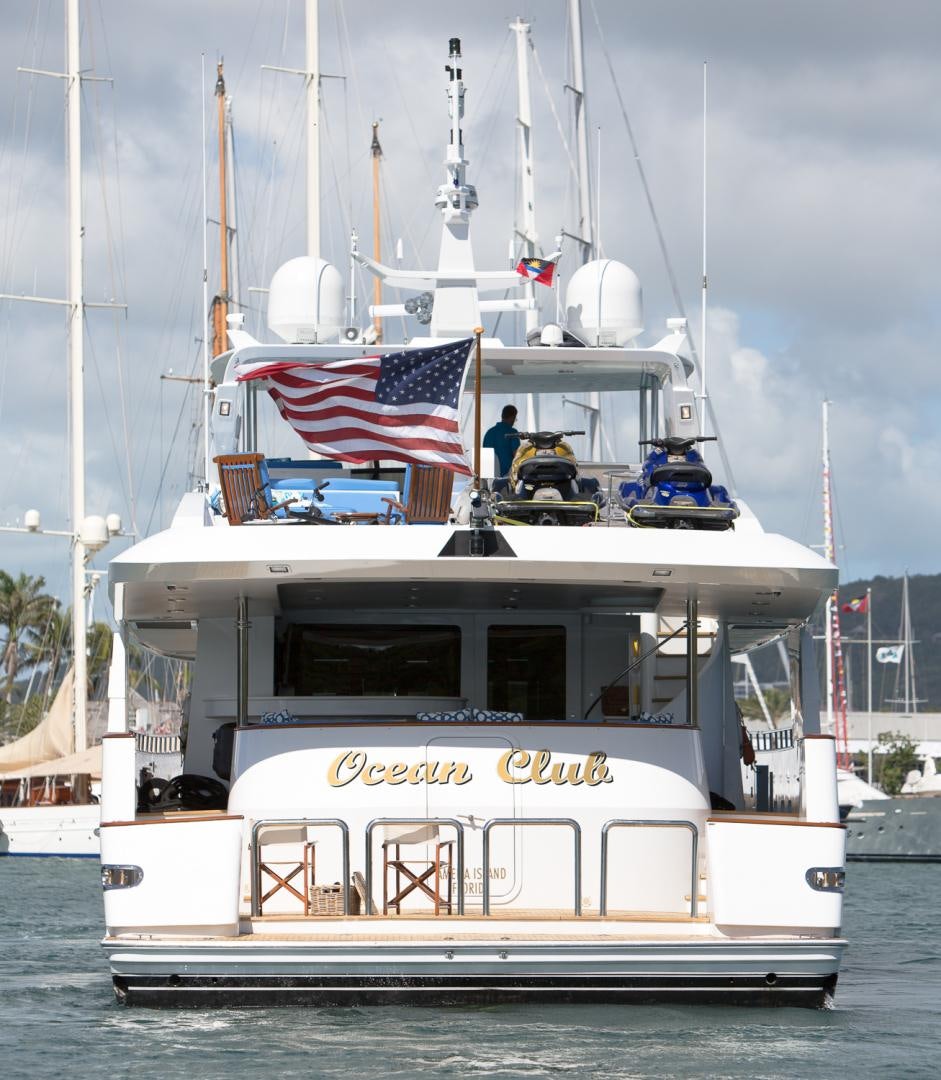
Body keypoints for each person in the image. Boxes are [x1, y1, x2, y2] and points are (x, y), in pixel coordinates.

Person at [482, 405, 520, 477]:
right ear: (512, 417)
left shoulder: (489, 433)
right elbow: (517, 456)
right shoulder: (513, 433)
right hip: (506, 477)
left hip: (489, 478)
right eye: (515, 418)